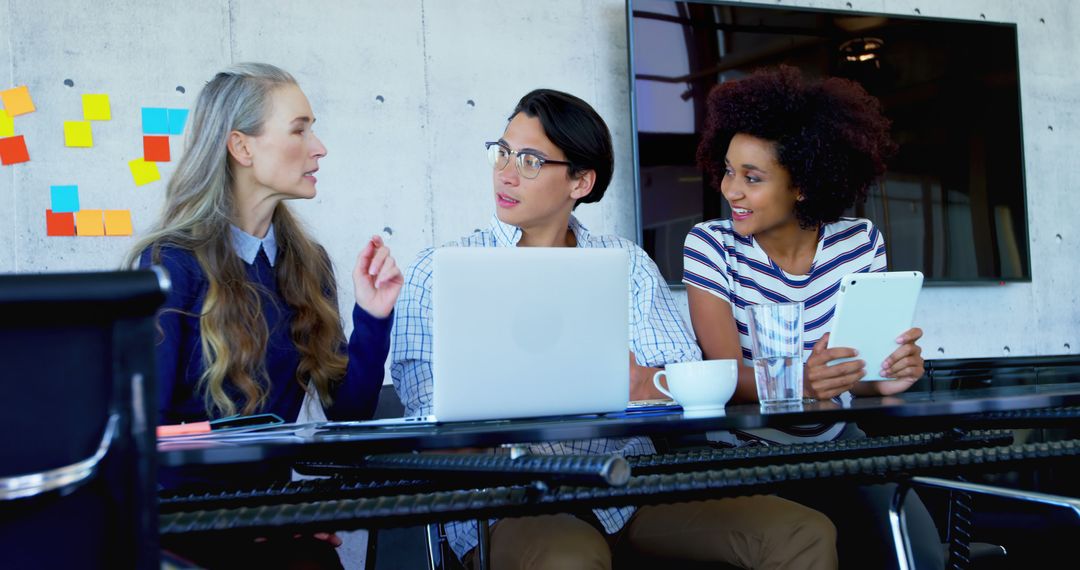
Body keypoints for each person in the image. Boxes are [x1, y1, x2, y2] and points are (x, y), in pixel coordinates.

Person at [392, 88, 838, 569]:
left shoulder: (624, 263)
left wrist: (649, 383)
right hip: (507, 499)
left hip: (629, 487)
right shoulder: (440, 271)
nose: (505, 172)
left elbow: (684, 380)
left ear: (581, 181)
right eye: (501, 152)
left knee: (802, 533)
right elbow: (424, 411)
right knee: (569, 558)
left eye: (529, 160)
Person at [128, 62, 403, 569]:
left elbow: (348, 419)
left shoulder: (306, 262)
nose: (319, 147)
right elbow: (146, 438)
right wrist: (251, 519)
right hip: (189, 530)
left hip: (271, 523)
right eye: (299, 129)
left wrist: (373, 316)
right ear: (242, 147)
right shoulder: (172, 264)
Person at [683, 65, 942, 568]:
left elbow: (853, 377)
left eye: (752, 178)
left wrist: (887, 376)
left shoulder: (859, 242)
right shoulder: (711, 246)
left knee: (919, 554)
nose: (731, 189)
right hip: (743, 449)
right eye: (729, 170)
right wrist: (801, 378)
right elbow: (724, 378)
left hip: (836, 439)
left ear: (802, 184)